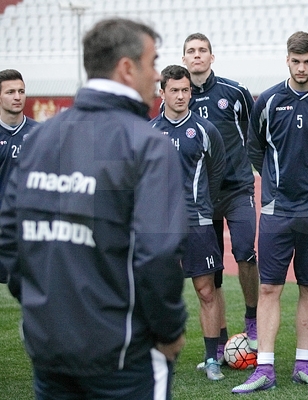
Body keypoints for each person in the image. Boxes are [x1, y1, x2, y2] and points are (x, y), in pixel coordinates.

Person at [0, 18, 187, 398]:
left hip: (47, 344)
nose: (156, 76)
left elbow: (8, 239)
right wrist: (170, 330)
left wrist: (42, 306)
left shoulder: (40, 137)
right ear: (126, 67)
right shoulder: (148, 145)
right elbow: (157, 254)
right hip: (123, 353)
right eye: (153, 63)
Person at [231, 31, 308, 393]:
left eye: (307, 61)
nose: (301, 68)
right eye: (295, 61)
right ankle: (264, 369)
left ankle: (303, 364)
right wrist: (277, 183)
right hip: (276, 209)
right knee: (269, 287)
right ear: (287, 60)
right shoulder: (267, 100)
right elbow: (255, 148)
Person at [182, 32, 259, 357]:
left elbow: (258, 133)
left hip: (237, 189)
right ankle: (221, 336)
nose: (197, 56)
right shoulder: (178, 97)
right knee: (209, 272)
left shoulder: (235, 92)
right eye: (191, 51)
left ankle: (252, 320)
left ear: (212, 57)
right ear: (184, 58)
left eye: (202, 51)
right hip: (201, 199)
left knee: (245, 253)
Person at [150, 65, 227, 381]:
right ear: (163, 92)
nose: (181, 96)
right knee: (156, 294)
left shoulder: (206, 130)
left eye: (185, 90)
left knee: (206, 291)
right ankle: (154, 359)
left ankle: (211, 360)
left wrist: (198, 205)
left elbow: (216, 172)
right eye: (175, 90)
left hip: (197, 222)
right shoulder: (149, 131)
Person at [0, 69, 38, 205]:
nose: (17, 97)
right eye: (10, 92)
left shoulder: (39, 133)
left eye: (21, 91)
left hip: (27, 216)